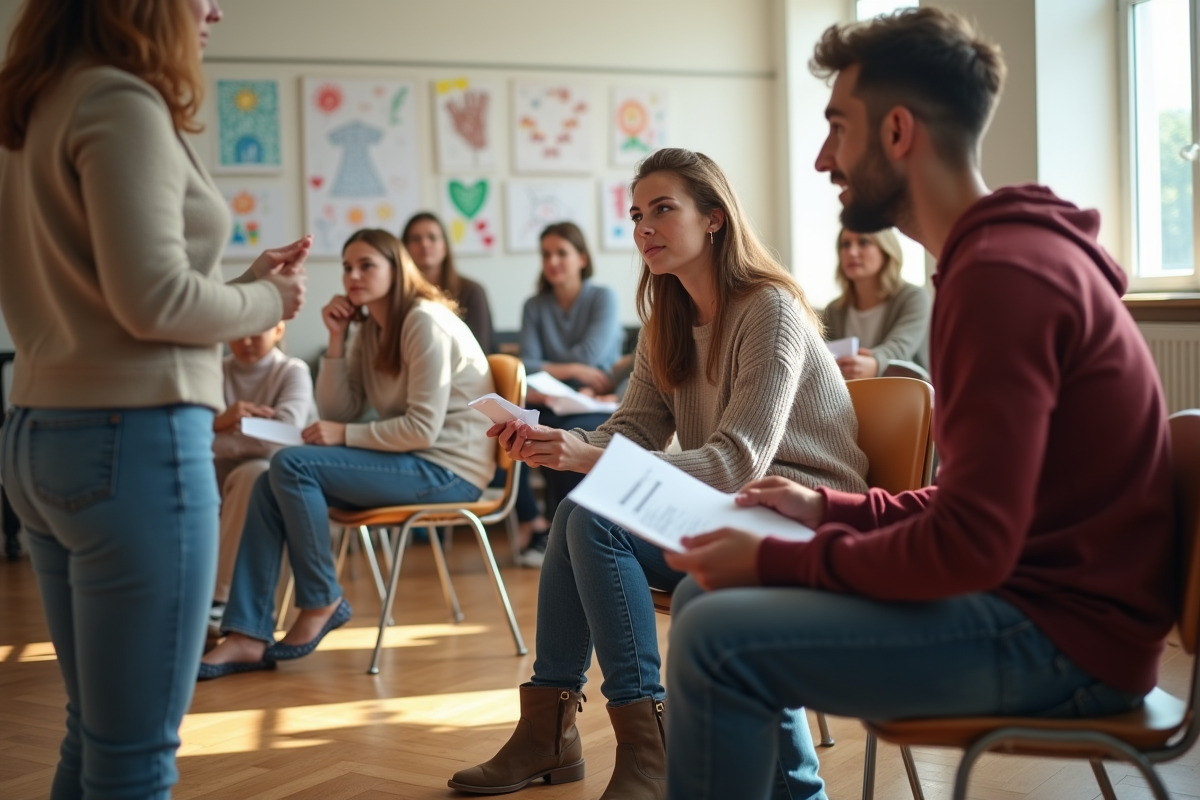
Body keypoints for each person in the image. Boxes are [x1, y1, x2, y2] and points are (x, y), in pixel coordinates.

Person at [660, 9, 1176, 800]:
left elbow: (972, 545)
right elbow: (983, 505)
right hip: (1041, 604)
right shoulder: (998, 258)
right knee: (703, 596)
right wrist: (829, 510)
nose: (823, 157)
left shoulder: (1002, 277)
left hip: (1061, 640)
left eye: (838, 125)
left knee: (713, 641)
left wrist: (772, 556)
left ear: (898, 131)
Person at [448, 148, 868, 800]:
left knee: (590, 511)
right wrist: (561, 443)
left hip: (800, 515)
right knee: (578, 512)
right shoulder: (664, 320)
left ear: (716, 219)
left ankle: (641, 744)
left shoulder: (770, 310)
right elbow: (632, 434)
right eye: (637, 214)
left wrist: (592, 458)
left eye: (663, 209)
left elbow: (736, 461)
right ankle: (566, 732)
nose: (644, 227)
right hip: (729, 511)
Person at [0, 0, 309, 796]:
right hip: (131, 442)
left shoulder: (36, 104)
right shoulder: (120, 100)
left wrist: (242, 286)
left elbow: (114, 298)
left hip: (41, 430)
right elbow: (155, 305)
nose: (215, 9)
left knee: (96, 734)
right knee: (135, 758)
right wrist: (268, 304)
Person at [199, 228, 495, 679]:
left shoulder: (423, 321)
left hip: (449, 469)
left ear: (397, 271)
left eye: (367, 266)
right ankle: (246, 636)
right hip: (412, 460)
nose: (352, 276)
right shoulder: (371, 327)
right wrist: (337, 340)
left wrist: (342, 434)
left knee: (291, 464)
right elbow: (341, 408)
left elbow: (420, 428)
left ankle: (321, 597)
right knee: (265, 480)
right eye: (347, 267)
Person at [514, 222, 624, 565]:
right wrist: (571, 371)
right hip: (550, 398)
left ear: (582, 258)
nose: (553, 261)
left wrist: (560, 370)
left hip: (595, 398)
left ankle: (562, 534)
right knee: (516, 428)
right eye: (546, 254)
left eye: (562, 252)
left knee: (568, 432)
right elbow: (525, 362)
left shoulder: (602, 297)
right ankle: (538, 525)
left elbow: (591, 355)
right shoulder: (535, 305)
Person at [209, 322, 314, 634]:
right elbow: (182, 437)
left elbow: (281, 441)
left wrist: (215, 429)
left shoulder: (292, 371)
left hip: (271, 478)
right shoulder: (214, 370)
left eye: (256, 331)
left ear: (279, 330)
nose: (246, 341)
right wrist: (227, 420)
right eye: (237, 331)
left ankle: (221, 600)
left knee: (254, 473)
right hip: (210, 473)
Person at [822, 227, 930, 379]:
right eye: (845, 245)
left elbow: (900, 347)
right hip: (852, 400)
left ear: (886, 251)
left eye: (864, 242)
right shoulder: (834, 310)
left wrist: (876, 363)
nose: (851, 252)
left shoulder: (913, 298)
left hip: (906, 396)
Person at [401, 211, 495, 354]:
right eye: (415, 238)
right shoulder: (398, 295)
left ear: (444, 246)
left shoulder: (472, 291)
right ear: (404, 248)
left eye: (432, 237)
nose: (424, 244)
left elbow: (481, 350)